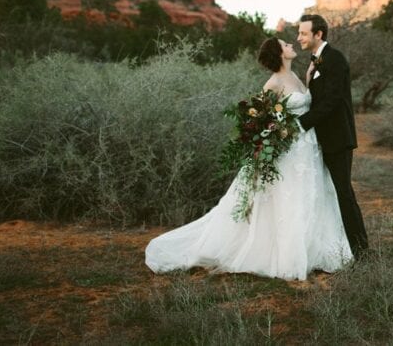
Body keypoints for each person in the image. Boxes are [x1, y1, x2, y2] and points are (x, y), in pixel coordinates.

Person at [144, 37, 352, 280]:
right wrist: (274, 132)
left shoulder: (295, 76)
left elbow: (306, 103)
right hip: (291, 149)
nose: (291, 46)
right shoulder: (273, 82)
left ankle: (314, 249)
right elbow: (258, 118)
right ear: (279, 53)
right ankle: (289, 257)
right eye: (286, 45)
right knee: (290, 197)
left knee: (310, 194)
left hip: (308, 147)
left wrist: (308, 80)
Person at [296, 14, 369, 258]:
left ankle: (361, 251)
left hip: (337, 139)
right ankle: (333, 247)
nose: (299, 38)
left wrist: (299, 124)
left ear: (318, 34)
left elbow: (331, 102)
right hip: (321, 140)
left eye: (303, 33)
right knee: (326, 193)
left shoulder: (335, 59)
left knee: (344, 194)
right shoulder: (316, 61)